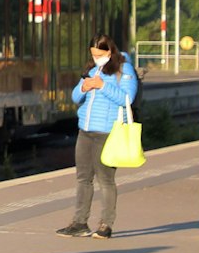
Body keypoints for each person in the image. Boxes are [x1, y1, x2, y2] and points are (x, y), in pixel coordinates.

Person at [56, 34, 138, 240]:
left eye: (99, 54)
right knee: (83, 178)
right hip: (85, 130)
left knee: (105, 179)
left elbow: (127, 98)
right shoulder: (92, 70)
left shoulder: (123, 70)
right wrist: (84, 87)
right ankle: (79, 222)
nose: (96, 58)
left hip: (107, 132)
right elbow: (75, 97)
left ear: (109, 52)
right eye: (93, 55)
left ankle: (106, 224)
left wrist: (102, 86)